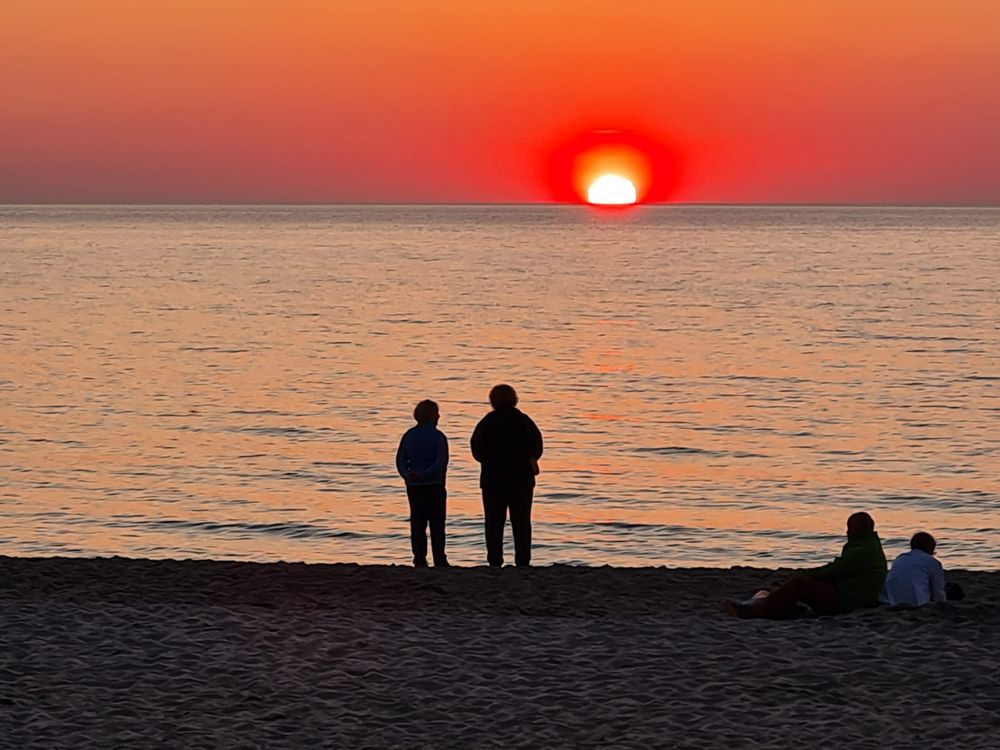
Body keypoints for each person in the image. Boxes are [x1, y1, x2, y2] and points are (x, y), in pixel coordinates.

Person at [727, 512, 887, 619]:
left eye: (850, 529)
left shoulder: (862, 550)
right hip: (851, 594)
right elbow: (839, 570)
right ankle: (780, 606)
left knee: (799, 584)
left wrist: (806, 574)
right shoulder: (869, 545)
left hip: (848, 601)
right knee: (801, 583)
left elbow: (834, 570)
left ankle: (754, 611)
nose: (847, 533)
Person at [470, 384, 543, 567]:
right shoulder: (524, 421)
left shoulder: (487, 422)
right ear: (514, 400)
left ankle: (495, 559)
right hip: (521, 478)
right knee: (522, 521)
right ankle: (523, 560)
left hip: (493, 478)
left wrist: (489, 460)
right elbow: (537, 447)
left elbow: (476, 449)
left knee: (493, 521)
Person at [395, 399, 449, 568]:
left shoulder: (409, 435)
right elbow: (441, 463)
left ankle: (419, 557)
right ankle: (439, 557)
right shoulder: (439, 437)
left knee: (417, 522)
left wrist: (408, 475)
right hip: (434, 484)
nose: (439, 416)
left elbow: (400, 459)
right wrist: (425, 474)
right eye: (436, 413)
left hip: (414, 485)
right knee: (437, 523)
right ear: (432, 416)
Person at [880, 532, 946, 607]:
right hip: (915, 600)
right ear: (930, 548)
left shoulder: (901, 558)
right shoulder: (932, 562)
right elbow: (938, 591)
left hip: (891, 599)